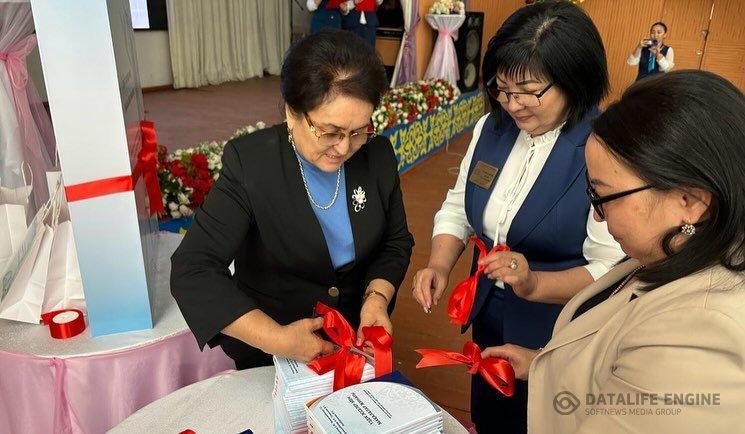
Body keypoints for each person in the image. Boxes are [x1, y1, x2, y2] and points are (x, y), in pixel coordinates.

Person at [484, 70, 745, 433]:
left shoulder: (701, 339)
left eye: (604, 196)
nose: (596, 214)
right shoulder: (672, 253)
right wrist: (544, 363)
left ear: (690, 201)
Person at [411, 2, 624, 432]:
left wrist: (533, 282)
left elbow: (610, 268)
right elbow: (459, 206)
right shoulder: (492, 128)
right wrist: (439, 264)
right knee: (491, 411)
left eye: (528, 91)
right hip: (489, 310)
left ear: (573, 79)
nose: (513, 105)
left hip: (556, 327)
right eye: (502, 89)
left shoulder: (602, 149)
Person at [171, 29, 414, 370]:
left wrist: (376, 298)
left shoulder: (377, 155)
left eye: (359, 131)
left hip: (355, 342)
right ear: (291, 112)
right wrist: (277, 338)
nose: (345, 147)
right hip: (271, 354)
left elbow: (395, 242)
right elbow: (193, 269)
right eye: (330, 132)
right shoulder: (252, 163)